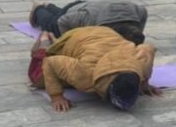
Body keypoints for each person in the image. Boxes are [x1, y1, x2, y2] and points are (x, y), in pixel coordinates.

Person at [29, 26, 159, 113]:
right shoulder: (84, 74)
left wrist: (144, 82)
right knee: (38, 75)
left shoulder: (140, 65)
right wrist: (56, 96)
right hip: (77, 36)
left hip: (107, 32)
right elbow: (50, 63)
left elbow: (148, 48)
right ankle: (45, 40)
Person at [29, 0, 148, 43]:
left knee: (67, 16)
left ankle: (48, 5)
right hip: (79, 9)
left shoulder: (137, 14)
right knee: (52, 25)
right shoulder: (92, 21)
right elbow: (63, 21)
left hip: (90, 7)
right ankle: (38, 8)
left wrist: (139, 31)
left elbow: (144, 11)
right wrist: (67, 42)